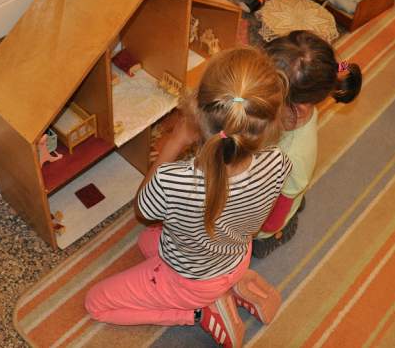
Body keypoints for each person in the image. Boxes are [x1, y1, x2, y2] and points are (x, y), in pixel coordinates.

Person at [85, 47, 291, 347]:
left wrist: (176, 140)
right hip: (235, 256)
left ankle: (196, 313)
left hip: (190, 282)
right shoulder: (279, 161)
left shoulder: (175, 181)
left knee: (96, 303)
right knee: (146, 242)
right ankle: (230, 284)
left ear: (198, 110)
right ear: (269, 121)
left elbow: (143, 210)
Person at [252, 30, 362, 259]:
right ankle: (296, 201)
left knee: (254, 246)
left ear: (298, 109)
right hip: (286, 187)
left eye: (266, 95)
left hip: (271, 225)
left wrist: (247, 230)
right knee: (291, 193)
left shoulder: (292, 158)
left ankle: (287, 227)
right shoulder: (297, 109)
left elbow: (271, 223)